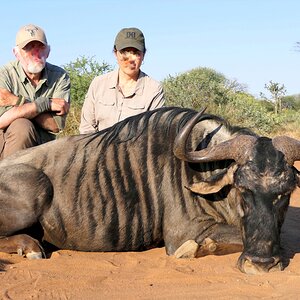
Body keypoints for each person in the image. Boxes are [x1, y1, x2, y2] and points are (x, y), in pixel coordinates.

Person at [0, 24, 70, 159]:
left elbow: (54, 126)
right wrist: (44, 104)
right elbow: (2, 121)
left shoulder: (60, 76)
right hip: (6, 146)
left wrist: (17, 101)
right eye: (28, 48)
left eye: (40, 47)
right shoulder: (4, 74)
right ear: (16, 53)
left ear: (48, 51)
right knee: (22, 126)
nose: (35, 53)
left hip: (42, 148)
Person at [79, 27, 165, 134]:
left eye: (136, 53)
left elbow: (153, 133)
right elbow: (87, 129)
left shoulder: (154, 89)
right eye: (125, 52)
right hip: (98, 149)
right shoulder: (98, 84)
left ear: (143, 55)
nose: (130, 59)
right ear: (116, 53)